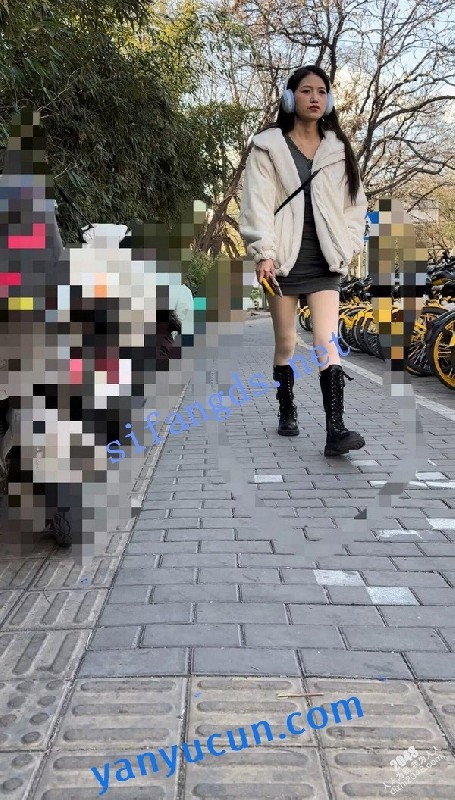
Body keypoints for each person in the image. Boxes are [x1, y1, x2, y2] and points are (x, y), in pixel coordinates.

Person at [239, 64, 368, 456]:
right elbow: (257, 204)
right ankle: (286, 406)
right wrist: (264, 252)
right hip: (281, 261)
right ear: (289, 97)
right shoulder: (268, 147)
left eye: (322, 91)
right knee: (286, 343)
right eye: (307, 90)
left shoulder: (338, 148)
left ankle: (336, 430)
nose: (315, 97)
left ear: (329, 100)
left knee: (327, 342)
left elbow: (354, 204)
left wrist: (347, 245)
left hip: (325, 261)